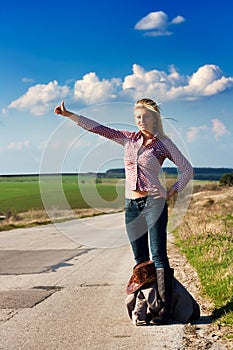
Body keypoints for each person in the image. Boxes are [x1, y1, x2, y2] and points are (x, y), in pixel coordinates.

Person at [54, 98, 194, 324]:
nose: (141, 121)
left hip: (154, 204)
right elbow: (99, 129)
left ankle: (165, 311)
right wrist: (69, 114)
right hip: (131, 205)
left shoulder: (163, 144)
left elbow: (187, 170)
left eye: (146, 117)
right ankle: (147, 306)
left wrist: (170, 192)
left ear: (155, 118)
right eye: (138, 117)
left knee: (158, 256)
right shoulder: (128, 139)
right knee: (140, 259)